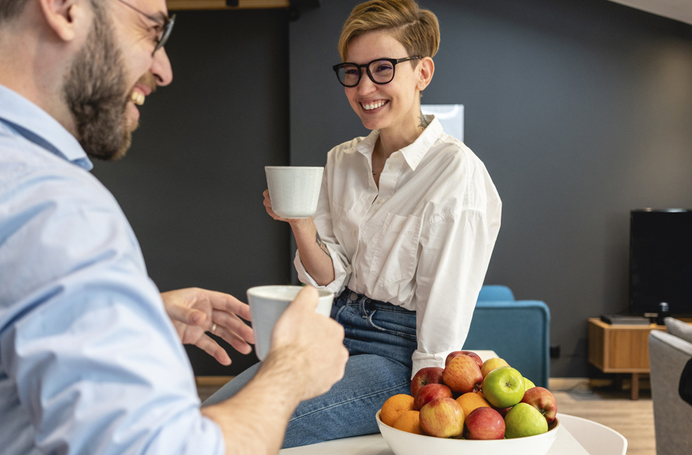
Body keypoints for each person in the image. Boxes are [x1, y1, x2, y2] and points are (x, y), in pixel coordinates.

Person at [0, 0, 348, 453]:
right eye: (151, 29)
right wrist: (290, 371)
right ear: (64, 8)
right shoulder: (52, 209)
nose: (164, 69)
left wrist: (116, 313)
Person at [204, 0, 502, 447]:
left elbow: (447, 306)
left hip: (397, 353)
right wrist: (299, 222)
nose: (364, 87)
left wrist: (429, 399)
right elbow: (331, 278)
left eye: (383, 69)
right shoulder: (341, 160)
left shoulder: (457, 173)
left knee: (230, 431)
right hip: (332, 327)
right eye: (353, 71)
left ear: (422, 73)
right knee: (209, 414)